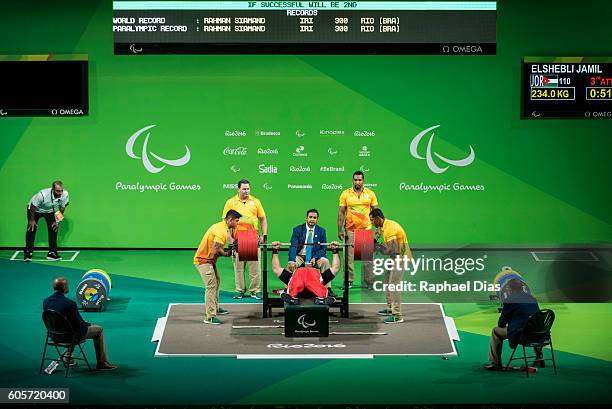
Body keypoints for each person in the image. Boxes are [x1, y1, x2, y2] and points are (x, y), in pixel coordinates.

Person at [42, 277, 117, 370]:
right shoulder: (70, 304)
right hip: (70, 336)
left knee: (69, 327)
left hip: (53, 335)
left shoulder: (46, 301)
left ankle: (68, 357)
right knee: (98, 330)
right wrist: (86, 324)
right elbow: (79, 324)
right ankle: (102, 363)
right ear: (65, 288)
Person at [483, 278, 546, 370]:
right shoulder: (532, 298)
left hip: (521, 334)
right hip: (538, 333)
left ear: (509, 289)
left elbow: (501, 324)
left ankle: (495, 363)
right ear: (522, 288)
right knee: (534, 327)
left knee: (495, 331)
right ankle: (539, 358)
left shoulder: (510, 300)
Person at [193, 210, 242, 325]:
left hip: (210, 261)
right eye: (237, 221)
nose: (237, 223)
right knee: (211, 285)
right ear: (230, 220)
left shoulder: (222, 227)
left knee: (217, 281)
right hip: (203, 261)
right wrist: (225, 254)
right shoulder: (221, 230)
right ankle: (210, 316)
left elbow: (224, 243)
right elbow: (216, 248)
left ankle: (215, 307)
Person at [222, 179, 267, 299]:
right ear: (238, 189)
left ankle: (255, 290)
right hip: (237, 239)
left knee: (255, 267)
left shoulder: (256, 201)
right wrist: (229, 238)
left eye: (248, 189)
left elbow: (263, 219)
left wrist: (264, 235)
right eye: (244, 189)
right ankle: (239, 290)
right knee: (239, 267)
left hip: (253, 238)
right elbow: (224, 222)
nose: (246, 191)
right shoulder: (230, 202)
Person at [369, 208, 412, 324]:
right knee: (387, 282)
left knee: (393, 285)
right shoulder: (385, 225)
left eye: (372, 220)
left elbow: (392, 249)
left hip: (401, 257)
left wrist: (377, 246)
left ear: (378, 219)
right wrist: (378, 236)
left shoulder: (390, 228)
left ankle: (397, 315)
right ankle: (390, 308)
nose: (371, 223)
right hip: (395, 256)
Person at [337, 170, 378, 289]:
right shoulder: (345, 193)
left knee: (367, 260)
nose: (357, 182)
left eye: (359, 180)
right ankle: (348, 281)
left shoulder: (370, 194)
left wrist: (379, 228)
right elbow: (341, 212)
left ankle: (369, 282)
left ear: (363, 180)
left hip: (366, 230)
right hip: (350, 230)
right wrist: (339, 229)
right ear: (352, 180)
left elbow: (376, 212)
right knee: (348, 259)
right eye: (355, 180)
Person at [270, 241, 341, 305]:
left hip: (303, 281)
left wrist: (275, 251)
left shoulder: (291, 277)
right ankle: (323, 297)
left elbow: (276, 269)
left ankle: (291, 297)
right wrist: (335, 251)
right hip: (310, 282)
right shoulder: (322, 278)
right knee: (315, 285)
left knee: (296, 284)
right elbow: (335, 268)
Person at [25, 181, 69, 261]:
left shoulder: (65, 194)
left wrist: (57, 221)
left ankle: (52, 253)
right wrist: (32, 219)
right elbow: (32, 206)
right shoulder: (42, 195)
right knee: (31, 228)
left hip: (50, 210)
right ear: (53, 189)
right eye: (58, 191)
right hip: (35, 210)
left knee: (54, 228)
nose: (60, 193)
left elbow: (62, 208)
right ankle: (28, 252)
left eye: (61, 190)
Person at [287, 208, 331, 273]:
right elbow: (293, 246)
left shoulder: (322, 231)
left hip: (315, 257)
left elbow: (323, 248)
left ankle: (326, 283)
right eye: (310, 217)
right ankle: (290, 283)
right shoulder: (297, 229)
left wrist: (315, 257)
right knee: (291, 264)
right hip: (300, 256)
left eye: (314, 218)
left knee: (325, 261)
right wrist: (291, 260)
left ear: (317, 219)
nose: (312, 219)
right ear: (306, 218)